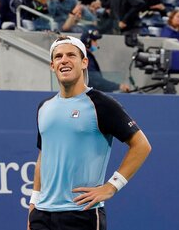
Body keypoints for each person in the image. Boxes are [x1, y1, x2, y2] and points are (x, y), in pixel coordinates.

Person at [28, 35, 151, 230]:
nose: (64, 60)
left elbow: (142, 145)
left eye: (71, 55)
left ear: (84, 62)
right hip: (42, 215)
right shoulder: (44, 107)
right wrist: (33, 204)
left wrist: (111, 187)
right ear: (52, 65)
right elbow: (43, 158)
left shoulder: (101, 104)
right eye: (58, 56)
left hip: (81, 214)